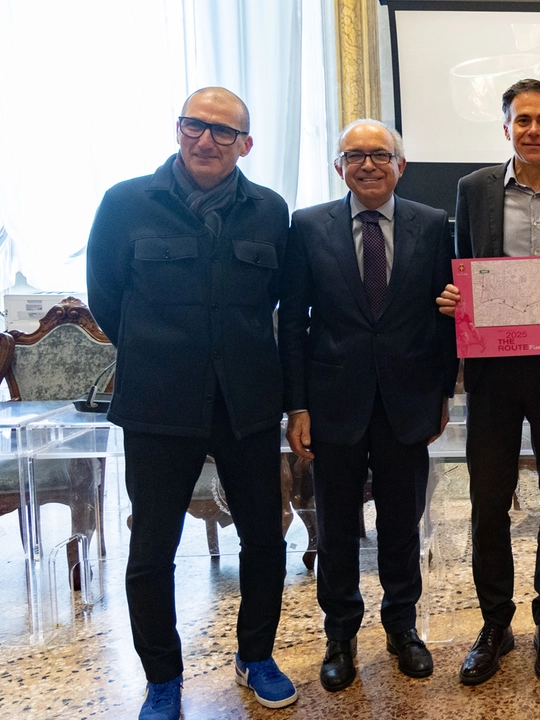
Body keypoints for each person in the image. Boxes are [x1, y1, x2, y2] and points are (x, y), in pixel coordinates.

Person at [86, 87, 296, 719]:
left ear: (245, 145)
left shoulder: (269, 211)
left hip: (248, 402)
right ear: (178, 130)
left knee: (264, 537)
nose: (206, 139)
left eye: (223, 132)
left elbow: (280, 300)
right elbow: (106, 296)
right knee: (153, 546)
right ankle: (162, 678)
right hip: (159, 403)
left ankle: (255, 655)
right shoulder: (126, 203)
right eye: (195, 125)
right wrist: (162, 353)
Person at [279, 119, 458, 692]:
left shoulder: (432, 226)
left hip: (407, 402)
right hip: (334, 402)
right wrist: (297, 406)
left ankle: (403, 628)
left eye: (381, 155)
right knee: (334, 526)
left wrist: (442, 394)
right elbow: (294, 325)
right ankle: (340, 634)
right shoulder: (307, 227)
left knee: (403, 523)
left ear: (400, 166)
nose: (368, 165)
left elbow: (444, 317)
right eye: (354, 156)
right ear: (339, 168)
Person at [436, 78, 540, 685]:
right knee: (488, 501)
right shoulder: (474, 189)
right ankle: (495, 623)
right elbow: (463, 262)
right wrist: (458, 297)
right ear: (506, 128)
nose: (533, 129)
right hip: (494, 372)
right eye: (521, 119)